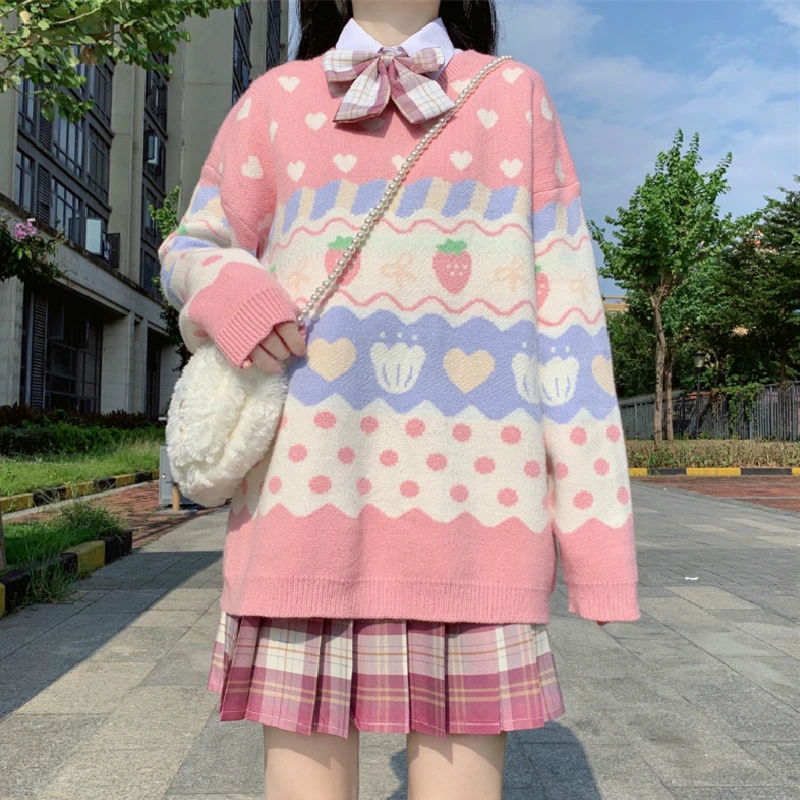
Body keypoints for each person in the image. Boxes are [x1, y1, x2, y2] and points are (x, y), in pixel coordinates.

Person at [157, 1, 640, 797]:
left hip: (478, 522)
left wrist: (598, 550)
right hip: (304, 516)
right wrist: (234, 290)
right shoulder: (276, 100)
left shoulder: (511, 94)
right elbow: (190, 244)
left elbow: (570, 323)